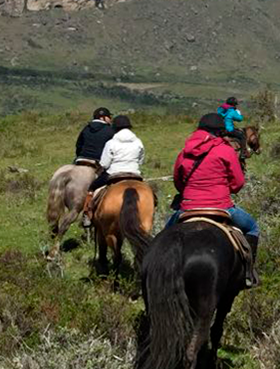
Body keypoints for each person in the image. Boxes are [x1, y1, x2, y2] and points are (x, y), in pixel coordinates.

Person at [164, 113, 261, 288]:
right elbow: (238, 183)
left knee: (163, 238)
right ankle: (248, 273)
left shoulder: (184, 153)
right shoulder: (226, 150)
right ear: (220, 132)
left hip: (188, 207)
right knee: (253, 228)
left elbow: (178, 183)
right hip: (221, 207)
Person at [82, 116, 144, 225]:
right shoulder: (138, 142)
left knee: (92, 188)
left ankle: (87, 215)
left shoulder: (111, 143)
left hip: (114, 173)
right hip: (134, 173)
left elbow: (105, 164)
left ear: (115, 128)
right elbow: (141, 160)